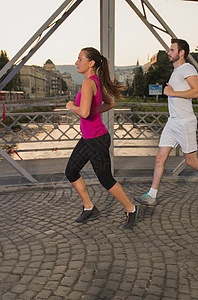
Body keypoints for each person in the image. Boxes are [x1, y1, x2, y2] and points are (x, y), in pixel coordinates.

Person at [134, 38, 198, 206]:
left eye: (172, 50)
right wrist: (172, 91)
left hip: (185, 122)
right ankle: (152, 195)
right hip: (173, 122)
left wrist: (172, 92)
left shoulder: (187, 68)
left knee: (191, 161)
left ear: (182, 53)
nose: (168, 53)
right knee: (160, 158)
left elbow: (197, 92)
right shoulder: (175, 72)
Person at [65, 47, 141, 229]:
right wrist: (91, 110)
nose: (76, 62)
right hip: (89, 137)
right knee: (71, 171)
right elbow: (111, 103)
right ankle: (89, 207)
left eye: (79, 58)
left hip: (96, 139)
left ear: (91, 63)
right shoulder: (94, 82)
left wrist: (71, 106)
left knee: (106, 179)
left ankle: (131, 209)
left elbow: (83, 113)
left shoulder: (88, 83)